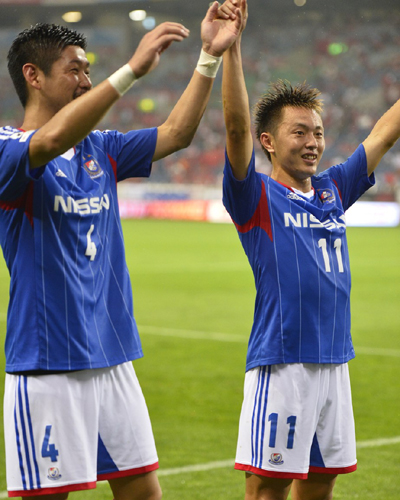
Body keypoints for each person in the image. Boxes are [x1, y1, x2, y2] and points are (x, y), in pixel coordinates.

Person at [0, 3, 242, 499]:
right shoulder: (7, 147)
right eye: (74, 70)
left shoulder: (101, 148)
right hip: (47, 362)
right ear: (33, 76)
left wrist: (209, 57)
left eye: (89, 70)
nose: (86, 80)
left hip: (112, 356)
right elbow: (49, 140)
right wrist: (131, 70)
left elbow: (176, 134)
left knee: (144, 493)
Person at [219, 1, 400, 499]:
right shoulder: (255, 195)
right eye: (299, 132)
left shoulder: (331, 190)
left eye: (317, 132)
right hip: (284, 364)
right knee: (267, 489)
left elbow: (384, 132)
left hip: (335, 361)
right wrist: (231, 49)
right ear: (268, 141)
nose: (313, 142)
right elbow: (234, 128)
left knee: (320, 485)